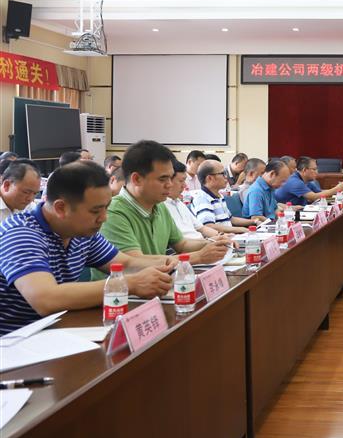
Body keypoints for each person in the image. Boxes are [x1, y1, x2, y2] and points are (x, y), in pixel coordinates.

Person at [0, 162, 173, 335]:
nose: (104, 218)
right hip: (14, 339)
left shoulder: (81, 233)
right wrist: (131, 283)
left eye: (106, 208)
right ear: (61, 208)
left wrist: (174, 265)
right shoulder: (21, 233)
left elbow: (126, 264)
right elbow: (46, 299)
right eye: (95, 211)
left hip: (59, 330)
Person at [97, 140, 230, 280]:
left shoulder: (160, 206)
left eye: (170, 178)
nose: (169, 184)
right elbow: (135, 263)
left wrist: (212, 243)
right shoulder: (113, 212)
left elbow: (182, 244)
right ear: (137, 179)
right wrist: (198, 257)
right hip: (119, 290)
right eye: (162, 179)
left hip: (156, 284)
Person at [191, 160, 253, 233]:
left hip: (229, 236)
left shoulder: (219, 196)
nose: (226, 177)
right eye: (223, 174)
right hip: (219, 238)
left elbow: (230, 219)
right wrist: (239, 230)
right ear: (209, 178)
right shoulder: (202, 198)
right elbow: (208, 226)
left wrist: (254, 221)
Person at [275, 157, 343, 206]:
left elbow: (320, 194)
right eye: (314, 169)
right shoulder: (294, 181)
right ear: (304, 170)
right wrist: (336, 189)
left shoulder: (307, 181)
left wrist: (341, 191)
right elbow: (313, 197)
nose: (317, 172)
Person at [1, 159, 41, 224]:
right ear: (7, 185)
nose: (30, 199)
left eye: (35, 193)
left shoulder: (29, 207)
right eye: (26, 192)